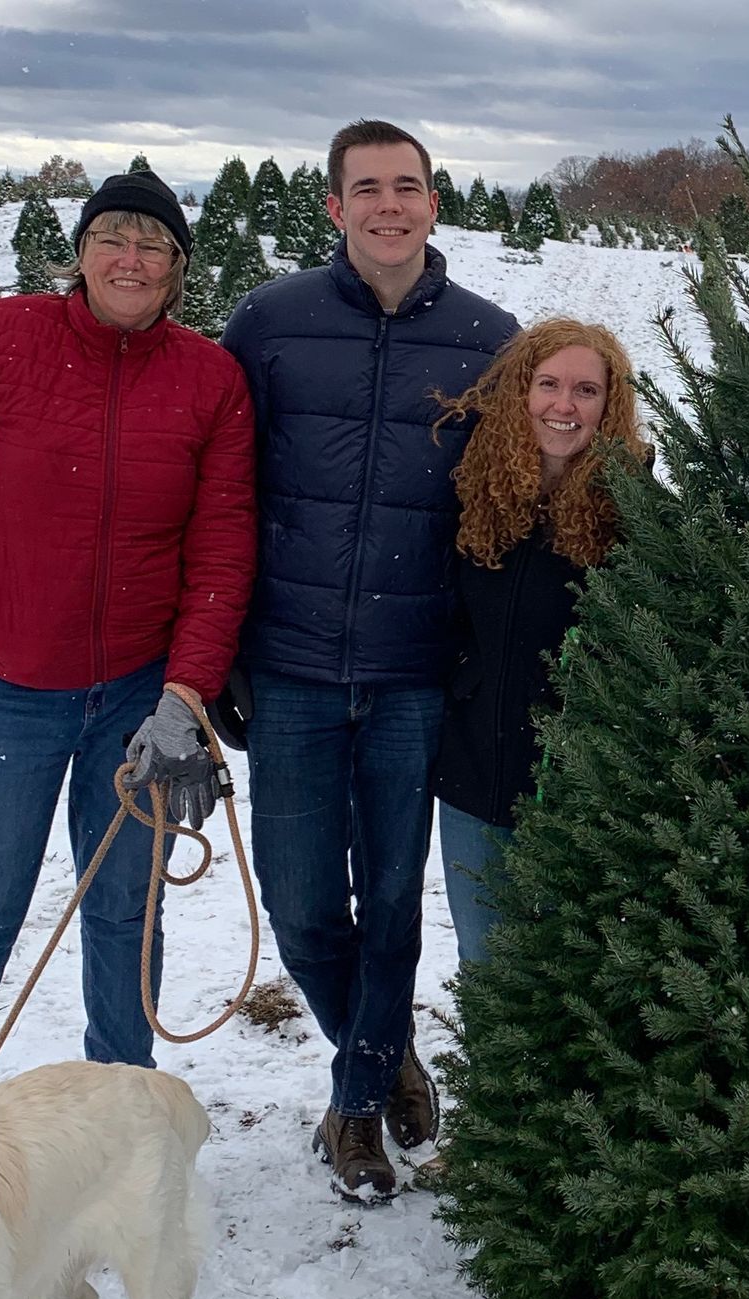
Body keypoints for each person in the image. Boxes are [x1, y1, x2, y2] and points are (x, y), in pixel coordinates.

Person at [0, 169, 256, 1089]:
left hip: (138, 691)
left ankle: (120, 1120)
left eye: (154, 244)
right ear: (80, 253)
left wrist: (185, 694)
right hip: (3, 687)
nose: (132, 258)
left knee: (127, 911)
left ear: (177, 269)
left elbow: (221, 552)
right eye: (113, 238)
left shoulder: (210, 380)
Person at [221, 118, 517, 1202]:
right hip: (291, 668)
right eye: (367, 188)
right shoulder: (269, 324)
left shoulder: (490, 338)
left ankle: (351, 1111)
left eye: (409, 186)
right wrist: (211, 656)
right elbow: (218, 488)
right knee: (304, 905)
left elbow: (518, 499)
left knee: (392, 903)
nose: (389, 205)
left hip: (414, 672)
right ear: (334, 207)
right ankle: (384, 1054)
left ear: (435, 204)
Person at [431, 319, 647, 964]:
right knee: (484, 957)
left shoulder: (635, 513)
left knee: (567, 965)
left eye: (586, 390)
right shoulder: (472, 493)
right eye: (548, 384)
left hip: (577, 789)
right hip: (472, 775)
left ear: (610, 408)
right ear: (520, 392)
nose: (564, 405)